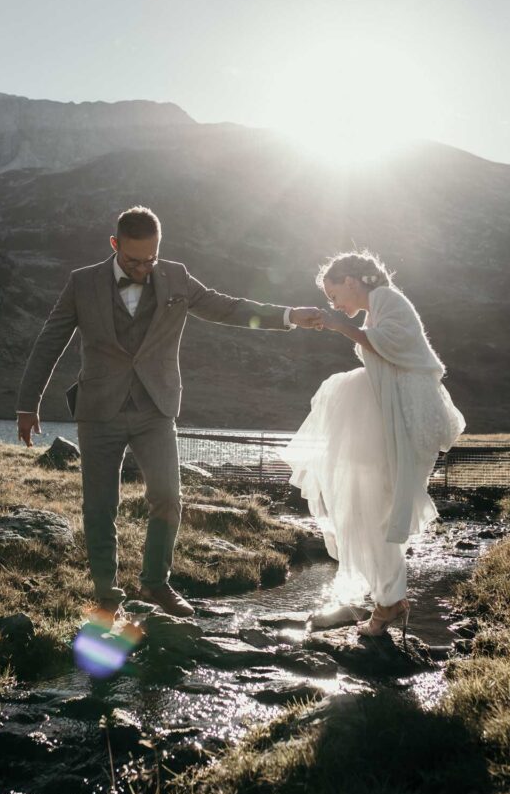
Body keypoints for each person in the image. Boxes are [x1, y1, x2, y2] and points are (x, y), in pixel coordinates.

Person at [17, 206, 322, 622]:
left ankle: (155, 582)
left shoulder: (176, 277)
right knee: (99, 506)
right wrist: (27, 403)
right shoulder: (82, 283)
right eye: (133, 261)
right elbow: (50, 340)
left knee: (167, 498)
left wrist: (288, 316)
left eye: (150, 259)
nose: (143, 268)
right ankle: (107, 595)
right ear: (114, 245)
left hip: (156, 409)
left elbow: (227, 308)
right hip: (98, 411)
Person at [283, 250, 465, 638]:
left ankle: (389, 602)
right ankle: (389, 601)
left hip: (405, 414)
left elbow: (392, 345)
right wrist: (340, 324)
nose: (335, 305)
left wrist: (337, 325)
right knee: (373, 506)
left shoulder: (386, 299)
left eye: (335, 295)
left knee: (376, 506)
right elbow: (383, 346)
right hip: (392, 412)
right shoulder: (376, 306)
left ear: (351, 280)